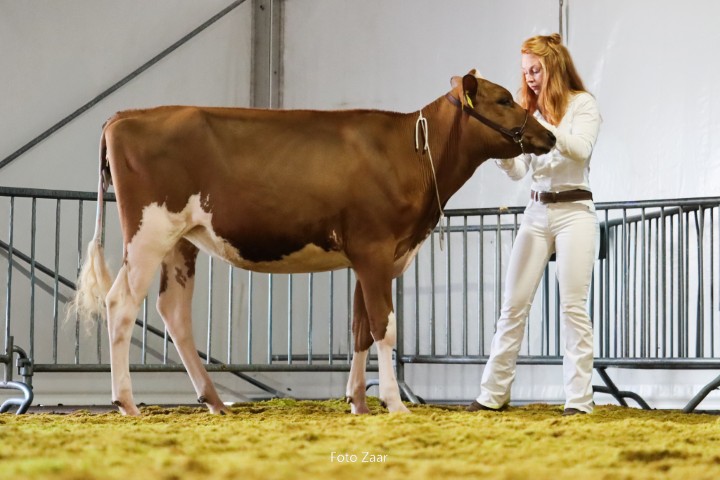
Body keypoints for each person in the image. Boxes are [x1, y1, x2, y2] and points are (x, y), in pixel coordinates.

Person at [467, 33, 601, 416]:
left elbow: (581, 149)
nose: (528, 77)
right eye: (525, 70)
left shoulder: (583, 105)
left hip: (575, 210)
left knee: (573, 308)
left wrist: (539, 128)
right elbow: (518, 171)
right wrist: (502, 147)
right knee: (512, 306)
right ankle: (492, 395)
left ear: (553, 67)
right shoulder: (528, 112)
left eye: (535, 69)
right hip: (537, 211)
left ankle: (579, 401)